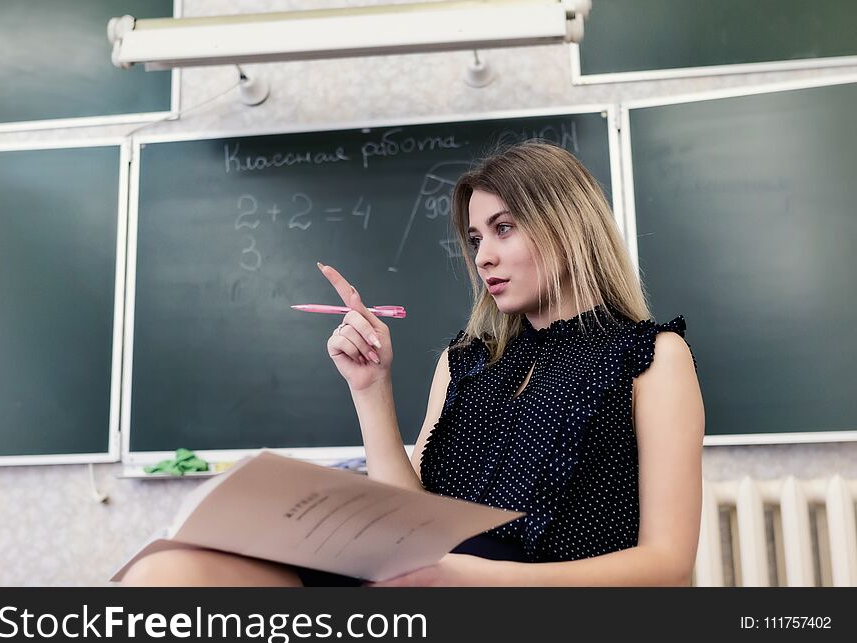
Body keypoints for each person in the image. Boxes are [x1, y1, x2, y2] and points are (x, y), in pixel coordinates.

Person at [121, 140, 704, 587]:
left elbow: (669, 562)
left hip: (522, 593)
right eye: (475, 238)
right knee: (170, 574)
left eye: (503, 229)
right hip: (419, 582)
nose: (485, 256)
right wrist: (371, 388)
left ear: (566, 225)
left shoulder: (651, 357)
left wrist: (483, 581)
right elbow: (407, 520)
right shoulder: (466, 361)